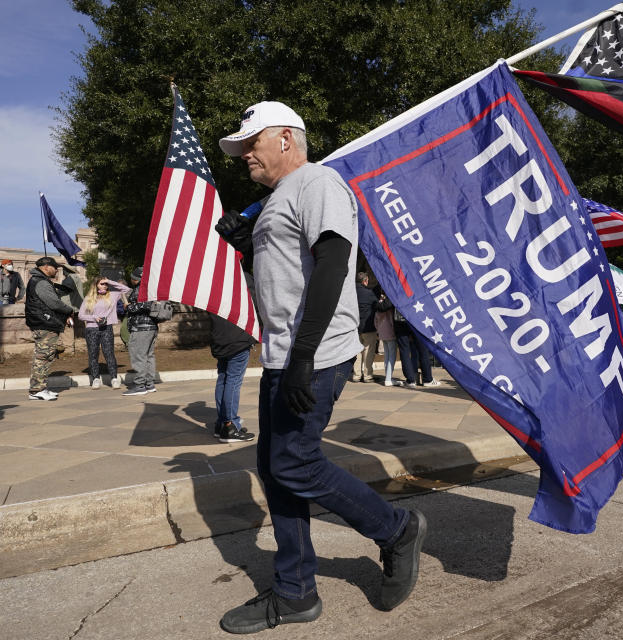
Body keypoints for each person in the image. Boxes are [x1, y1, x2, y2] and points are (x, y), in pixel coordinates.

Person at [215, 100, 426, 633]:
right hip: (282, 354)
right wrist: (245, 249)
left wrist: (305, 355)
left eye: (251, 144)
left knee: (294, 464)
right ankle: (295, 593)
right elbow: (283, 277)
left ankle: (396, 529)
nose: (244, 155)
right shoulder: (276, 200)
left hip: (314, 355)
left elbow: (333, 265)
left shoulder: (319, 184)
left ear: (285, 138)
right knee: (276, 471)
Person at [24, 257, 75, 401]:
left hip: (44, 323)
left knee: (45, 356)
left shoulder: (41, 280)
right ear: (46, 267)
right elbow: (54, 303)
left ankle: (40, 388)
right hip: (44, 323)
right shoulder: (40, 282)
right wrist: (68, 310)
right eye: (55, 267)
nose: (57, 269)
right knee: (43, 356)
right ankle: (36, 390)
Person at [209, 312, 257, 442]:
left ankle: (222, 424)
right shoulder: (239, 292)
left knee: (223, 380)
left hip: (220, 341)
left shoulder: (214, 292)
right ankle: (230, 426)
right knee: (233, 382)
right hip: (237, 341)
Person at [77, 276, 130, 389]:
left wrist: (109, 281)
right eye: (102, 284)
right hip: (92, 329)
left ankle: (114, 378)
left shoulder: (112, 296)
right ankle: (95, 378)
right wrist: (94, 317)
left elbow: (126, 289)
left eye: (106, 284)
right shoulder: (89, 298)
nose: (105, 286)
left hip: (106, 328)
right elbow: (80, 315)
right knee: (93, 354)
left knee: (109, 353)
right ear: (96, 285)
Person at [122, 266, 159, 396]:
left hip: (141, 327)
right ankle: (149, 384)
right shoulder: (152, 288)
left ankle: (140, 386)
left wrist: (129, 306)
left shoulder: (141, 289)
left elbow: (146, 305)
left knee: (138, 355)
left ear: (135, 278)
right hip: (151, 326)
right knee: (149, 356)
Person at [352, 271, 379, 382]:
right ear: (365, 281)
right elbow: (377, 305)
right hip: (368, 327)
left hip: (354, 327)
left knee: (357, 352)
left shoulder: (351, 293)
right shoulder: (369, 293)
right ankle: (367, 375)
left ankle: (356, 375)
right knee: (368, 351)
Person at [374, 293, 401, 386]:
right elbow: (391, 320)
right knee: (392, 357)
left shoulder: (379, 305)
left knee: (386, 356)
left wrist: (378, 330)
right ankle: (388, 378)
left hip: (382, 333)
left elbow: (375, 321)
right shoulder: (388, 306)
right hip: (390, 333)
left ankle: (387, 376)